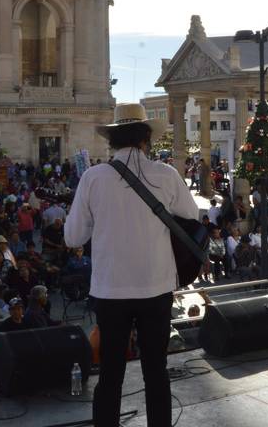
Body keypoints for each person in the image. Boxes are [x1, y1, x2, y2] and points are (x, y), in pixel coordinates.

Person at [64, 103, 199, 427]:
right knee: (156, 371)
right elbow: (192, 217)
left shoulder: (94, 177)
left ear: (113, 140)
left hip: (111, 289)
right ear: (146, 139)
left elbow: (73, 237)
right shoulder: (165, 174)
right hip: (156, 286)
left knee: (110, 373)